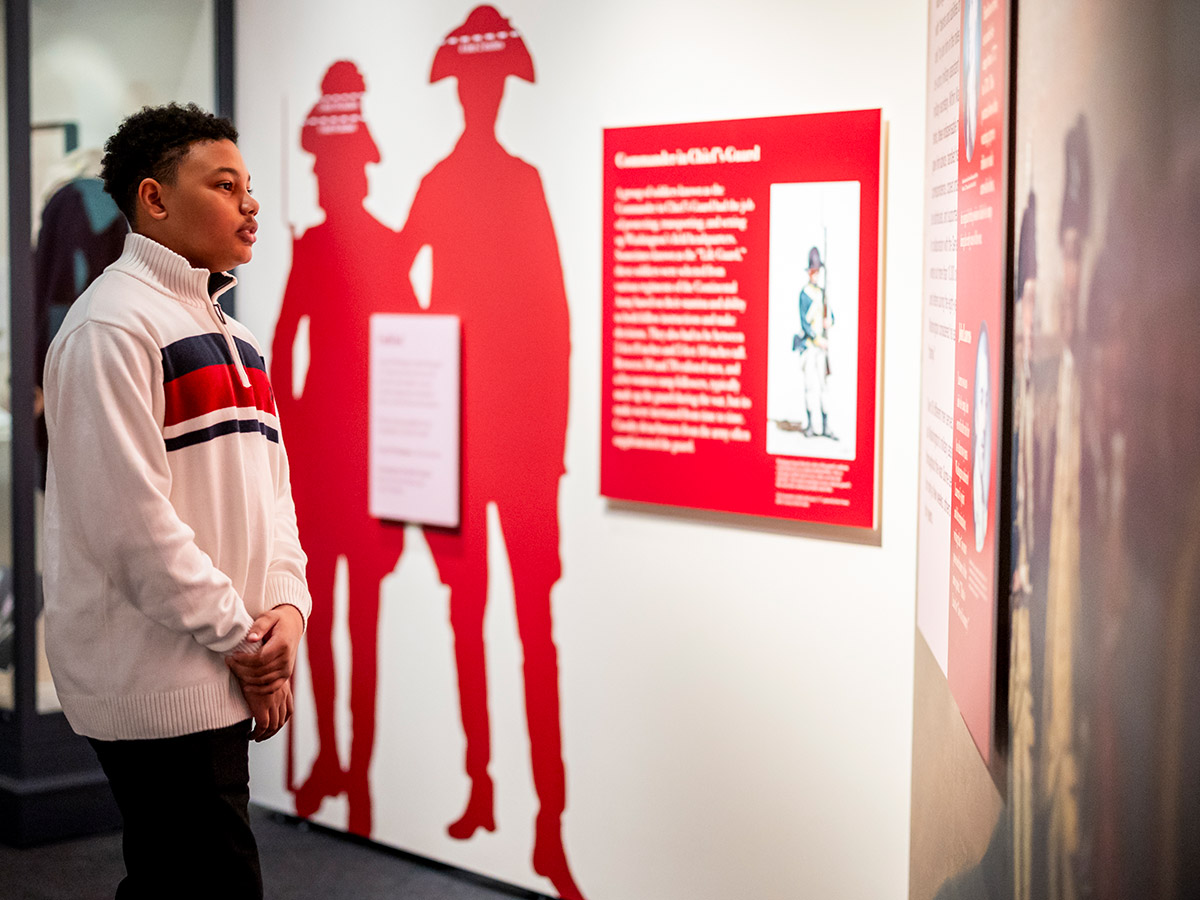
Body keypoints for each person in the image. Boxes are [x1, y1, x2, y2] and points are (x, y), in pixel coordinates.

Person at [41, 103, 310, 900]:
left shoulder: (236, 334)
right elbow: (133, 530)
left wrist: (287, 610)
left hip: (224, 663)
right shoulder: (111, 328)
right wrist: (246, 643)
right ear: (154, 200)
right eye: (225, 186)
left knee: (179, 880)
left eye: (249, 185)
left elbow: (276, 497)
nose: (250, 203)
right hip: (159, 674)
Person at [395, 7, 586, 898]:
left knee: (525, 631)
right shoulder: (443, 186)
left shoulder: (513, 182)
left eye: (487, 85)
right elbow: (401, 292)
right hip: (462, 447)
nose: (481, 97)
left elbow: (554, 318)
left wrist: (548, 448)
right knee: (475, 621)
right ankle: (486, 791)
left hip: (508, 445)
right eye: (477, 86)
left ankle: (547, 819)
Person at [272, 61, 412, 837]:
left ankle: (355, 762)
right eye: (323, 168)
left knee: (360, 621)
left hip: (370, 464)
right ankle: (331, 755)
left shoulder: (384, 249)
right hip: (325, 466)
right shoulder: (315, 246)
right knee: (322, 619)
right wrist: (295, 443)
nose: (328, 180)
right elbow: (285, 351)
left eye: (337, 167)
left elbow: (413, 353)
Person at [796, 246, 836, 439]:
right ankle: (811, 425)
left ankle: (825, 425)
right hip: (811, 346)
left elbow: (831, 316)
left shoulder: (822, 293)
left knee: (823, 387)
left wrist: (830, 321)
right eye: (813, 271)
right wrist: (817, 340)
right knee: (810, 386)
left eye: (817, 271)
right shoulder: (804, 294)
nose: (815, 274)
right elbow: (805, 322)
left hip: (822, 348)